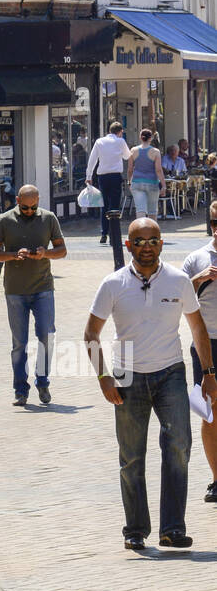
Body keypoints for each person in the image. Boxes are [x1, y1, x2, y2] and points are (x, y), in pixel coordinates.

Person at [84, 216, 215, 552]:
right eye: (139, 241)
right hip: (127, 375)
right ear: (128, 245)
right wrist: (103, 376)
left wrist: (209, 373)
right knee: (131, 456)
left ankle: (172, 529)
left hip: (170, 371)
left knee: (178, 447)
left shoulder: (178, 281)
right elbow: (91, 334)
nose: (146, 247)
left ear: (162, 243)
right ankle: (135, 529)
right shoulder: (112, 284)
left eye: (153, 240)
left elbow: (198, 328)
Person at [0, 184, 67, 406]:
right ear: (18, 201)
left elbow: (62, 250)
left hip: (43, 288)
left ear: (38, 200)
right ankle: (20, 390)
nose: (29, 211)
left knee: (46, 336)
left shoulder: (49, 219)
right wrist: (12, 255)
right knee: (19, 343)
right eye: (25, 208)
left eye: (33, 208)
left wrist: (45, 253)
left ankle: (43, 382)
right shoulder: (4, 220)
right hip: (15, 290)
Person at [181, 200, 217, 503]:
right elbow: (177, 298)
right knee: (209, 414)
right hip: (205, 345)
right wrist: (201, 278)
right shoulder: (196, 258)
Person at [86, 121, 131, 243]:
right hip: (115, 176)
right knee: (114, 206)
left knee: (104, 205)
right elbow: (127, 156)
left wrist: (89, 175)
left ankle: (104, 233)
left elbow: (92, 159)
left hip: (102, 177)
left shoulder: (99, 141)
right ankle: (113, 234)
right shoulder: (120, 141)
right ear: (120, 131)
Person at [127, 128, 166, 218]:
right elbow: (158, 170)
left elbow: (130, 169)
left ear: (140, 137)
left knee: (140, 210)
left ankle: (141, 231)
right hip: (152, 183)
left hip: (136, 183)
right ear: (151, 138)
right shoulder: (155, 152)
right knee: (152, 211)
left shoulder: (133, 150)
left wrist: (129, 182)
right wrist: (163, 185)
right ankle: (153, 231)